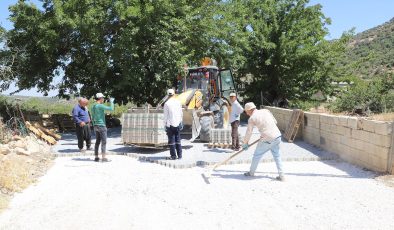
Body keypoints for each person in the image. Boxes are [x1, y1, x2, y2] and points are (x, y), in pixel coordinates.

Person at [242, 102, 285, 181]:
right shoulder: (265, 111)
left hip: (267, 139)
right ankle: (282, 176)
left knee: (257, 155)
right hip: (277, 136)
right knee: (277, 156)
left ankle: (251, 173)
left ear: (249, 110)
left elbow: (249, 132)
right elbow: (275, 122)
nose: (247, 114)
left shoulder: (252, 118)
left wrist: (245, 143)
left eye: (246, 112)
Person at [91, 93, 114, 162]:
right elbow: (111, 109)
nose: (103, 99)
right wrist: (112, 102)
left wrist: (94, 124)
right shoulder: (100, 106)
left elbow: (92, 116)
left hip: (95, 125)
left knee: (97, 141)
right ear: (100, 98)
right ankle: (104, 157)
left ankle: (96, 157)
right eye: (103, 98)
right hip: (101, 125)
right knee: (104, 142)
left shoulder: (93, 106)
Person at [163, 89, 183, 160]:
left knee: (171, 141)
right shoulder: (178, 102)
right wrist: (181, 122)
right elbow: (181, 113)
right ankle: (180, 156)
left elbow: (165, 116)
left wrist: (164, 125)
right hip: (177, 124)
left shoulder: (167, 104)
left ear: (168, 95)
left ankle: (173, 156)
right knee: (178, 140)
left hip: (170, 125)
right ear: (174, 94)